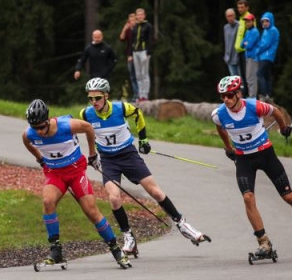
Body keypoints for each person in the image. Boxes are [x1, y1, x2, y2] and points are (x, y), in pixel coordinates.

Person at [79, 78, 210, 256]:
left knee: (155, 192)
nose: (94, 102)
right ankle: (129, 238)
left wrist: (143, 139)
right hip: (109, 161)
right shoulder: (86, 114)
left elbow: (138, 114)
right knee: (114, 198)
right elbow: (84, 131)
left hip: (128, 155)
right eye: (91, 99)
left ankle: (182, 224)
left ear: (106, 96)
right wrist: (92, 155)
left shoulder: (121, 108)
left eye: (98, 98)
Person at [211, 75, 292, 259]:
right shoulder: (219, 114)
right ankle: (264, 243)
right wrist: (228, 148)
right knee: (248, 198)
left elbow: (276, 112)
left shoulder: (254, 106)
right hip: (243, 159)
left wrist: (283, 128)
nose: (226, 99)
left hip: (265, 154)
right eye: (222, 96)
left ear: (238, 94)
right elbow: (220, 128)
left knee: (288, 196)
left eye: (230, 95)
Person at [22, 99, 132, 269]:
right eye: (35, 128)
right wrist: (40, 159)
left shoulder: (66, 126)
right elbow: (27, 142)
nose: (39, 132)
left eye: (42, 127)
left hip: (75, 172)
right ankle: (56, 251)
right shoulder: (29, 134)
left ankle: (116, 250)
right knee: (47, 201)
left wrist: (92, 154)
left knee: (91, 211)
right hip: (55, 173)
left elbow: (88, 127)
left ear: (48, 120)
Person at [130, 8, 154, 102]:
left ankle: (145, 95)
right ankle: (140, 95)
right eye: (138, 15)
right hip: (135, 51)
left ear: (144, 16)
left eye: (141, 15)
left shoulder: (148, 26)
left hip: (144, 51)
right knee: (138, 74)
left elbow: (150, 39)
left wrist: (149, 51)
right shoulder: (135, 26)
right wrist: (131, 52)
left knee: (145, 74)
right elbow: (133, 40)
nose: (139, 16)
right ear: (136, 16)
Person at [256, 12, 279, 103]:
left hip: (267, 55)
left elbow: (265, 44)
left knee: (259, 74)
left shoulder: (273, 30)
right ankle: (269, 95)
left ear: (271, 21)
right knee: (267, 75)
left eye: (267, 21)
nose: (265, 23)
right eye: (263, 21)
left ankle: (263, 94)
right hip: (264, 56)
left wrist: (257, 50)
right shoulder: (266, 30)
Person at [233, 0, 252, 96]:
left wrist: (245, 44)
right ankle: (245, 93)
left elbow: (251, 33)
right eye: (238, 7)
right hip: (240, 50)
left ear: (247, 7)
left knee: (246, 74)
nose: (240, 9)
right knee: (242, 75)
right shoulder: (241, 19)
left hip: (245, 51)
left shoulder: (249, 18)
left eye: (242, 7)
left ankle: (248, 94)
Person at [119, 13, 139, 100]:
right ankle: (135, 94)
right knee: (132, 76)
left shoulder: (138, 30)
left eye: (134, 20)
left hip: (137, 55)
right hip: (129, 55)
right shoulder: (128, 31)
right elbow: (121, 38)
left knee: (139, 76)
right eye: (130, 21)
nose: (132, 22)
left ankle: (139, 95)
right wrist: (124, 28)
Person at [241, 13, 260, 99]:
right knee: (248, 77)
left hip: (253, 57)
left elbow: (249, 45)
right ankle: (251, 95)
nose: (247, 23)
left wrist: (246, 43)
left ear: (252, 21)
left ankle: (253, 96)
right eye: (246, 22)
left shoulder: (255, 31)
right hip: (248, 57)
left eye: (248, 21)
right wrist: (245, 43)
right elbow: (242, 44)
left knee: (252, 77)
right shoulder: (248, 31)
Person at [222, 8, 240, 76]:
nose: (230, 18)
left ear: (235, 16)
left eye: (231, 15)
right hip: (229, 58)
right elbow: (226, 42)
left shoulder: (239, 25)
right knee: (234, 80)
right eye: (228, 16)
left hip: (238, 57)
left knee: (241, 80)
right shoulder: (225, 27)